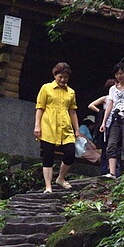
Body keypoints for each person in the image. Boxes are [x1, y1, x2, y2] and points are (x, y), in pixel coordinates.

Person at [34, 62, 81, 193]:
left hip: (65, 127)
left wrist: (77, 130)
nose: (62, 80)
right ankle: (48, 186)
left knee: (70, 153)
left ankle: (60, 178)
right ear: (55, 75)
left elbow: (72, 111)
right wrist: (37, 125)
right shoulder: (46, 88)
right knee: (48, 155)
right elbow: (40, 107)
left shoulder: (71, 92)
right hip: (48, 126)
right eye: (60, 76)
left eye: (65, 77)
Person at [88, 78, 116, 175]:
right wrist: (101, 112)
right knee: (106, 148)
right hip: (106, 124)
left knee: (114, 147)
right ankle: (104, 170)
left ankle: (113, 170)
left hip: (116, 123)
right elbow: (91, 105)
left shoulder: (118, 97)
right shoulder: (106, 98)